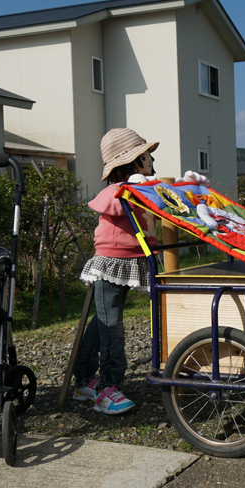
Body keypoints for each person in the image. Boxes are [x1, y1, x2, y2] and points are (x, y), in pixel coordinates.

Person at [72, 128, 159, 414]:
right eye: (147, 156)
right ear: (132, 162)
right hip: (112, 261)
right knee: (112, 327)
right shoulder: (117, 191)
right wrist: (134, 187)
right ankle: (106, 387)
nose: (152, 161)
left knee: (104, 321)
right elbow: (107, 202)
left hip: (136, 258)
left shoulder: (143, 187)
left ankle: (84, 378)